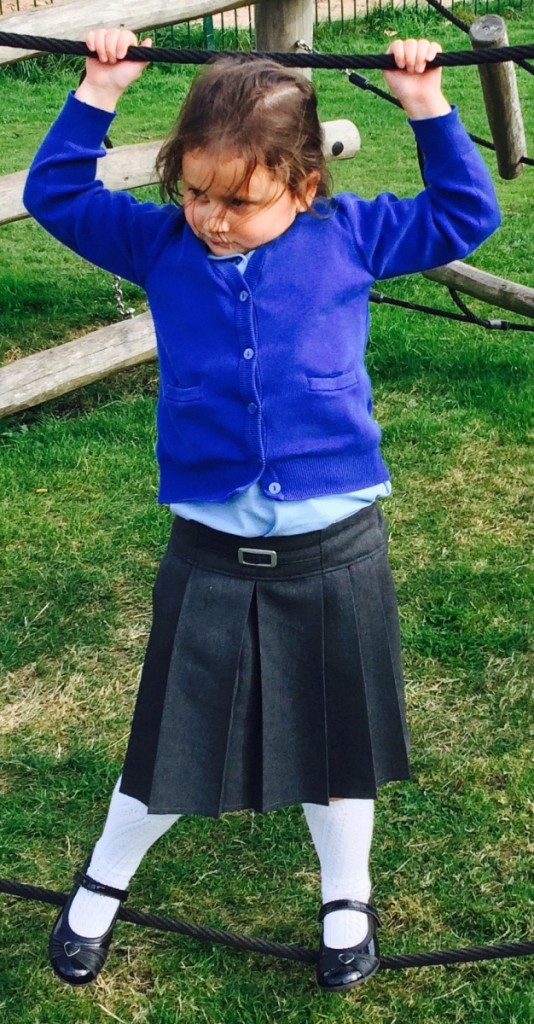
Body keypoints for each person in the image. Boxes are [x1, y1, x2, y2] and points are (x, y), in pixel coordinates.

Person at [23, 28, 500, 993]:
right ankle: (102, 883)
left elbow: (465, 212)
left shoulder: (352, 235)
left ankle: (346, 896)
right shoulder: (159, 243)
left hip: (336, 550)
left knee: (338, 744)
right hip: (211, 549)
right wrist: (99, 88)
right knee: (170, 740)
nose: (212, 218)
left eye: (240, 201)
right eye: (195, 192)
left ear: (305, 184)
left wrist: (428, 107)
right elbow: (56, 194)